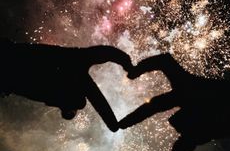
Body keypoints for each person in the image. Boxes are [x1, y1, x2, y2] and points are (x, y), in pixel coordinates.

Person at [0, 38, 133, 132]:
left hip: (9, 55)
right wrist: (113, 124)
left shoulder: (75, 65)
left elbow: (107, 53)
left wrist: (127, 63)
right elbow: (98, 101)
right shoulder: (50, 93)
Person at [119, 53, 230, 151]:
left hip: (218, 94)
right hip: (208, 93)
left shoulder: (212, 129)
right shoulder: (190, 97)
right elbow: (153, 107)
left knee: (157, 104)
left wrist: (136, 71)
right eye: (180, 139)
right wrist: (125, 123)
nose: (179, 136)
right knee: (157, 104)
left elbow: (153, 107)